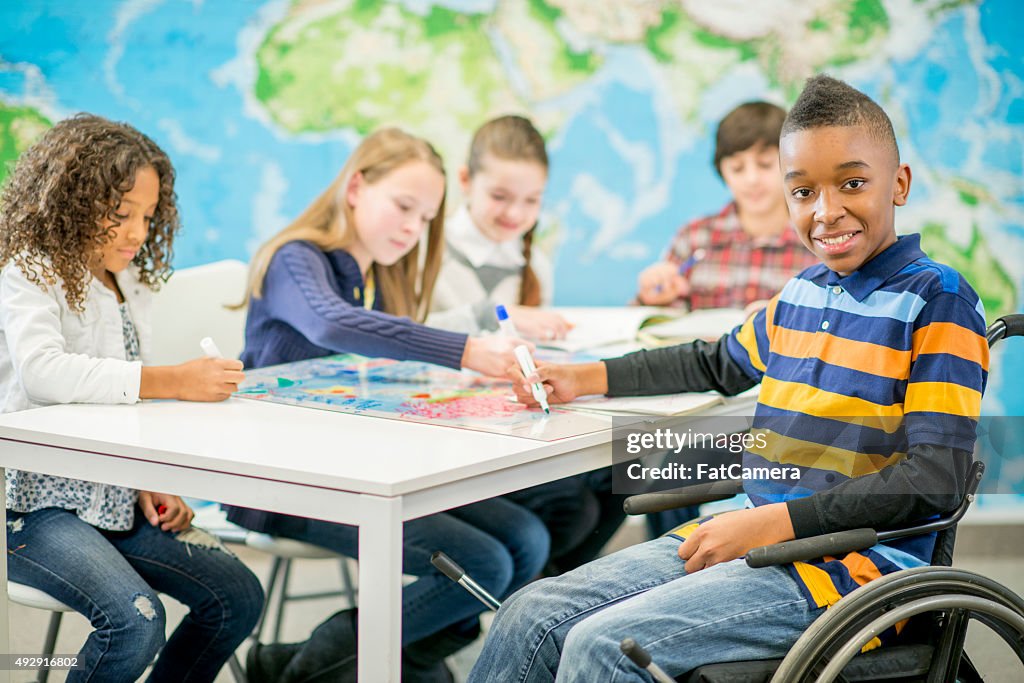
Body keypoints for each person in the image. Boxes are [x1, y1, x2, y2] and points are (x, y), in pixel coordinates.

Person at [467, 74, 989, 682]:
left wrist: (768, 523)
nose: (826, 211)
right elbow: (712, 363)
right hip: (755, 532)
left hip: (853, 571)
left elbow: (936, 477)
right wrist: (581, 377)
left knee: (603, 646)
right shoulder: (801, 294)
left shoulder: (937, 299)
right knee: (529, 612)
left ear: (897, 183)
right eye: (803, 191)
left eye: (852, 183)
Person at [228, 127, 549, 682]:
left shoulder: (376, 275)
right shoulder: (295, 260)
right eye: (403, 206)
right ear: (355, 187)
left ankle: (304, 664)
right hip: (282, 483)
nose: (411, 228)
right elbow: (331, 323)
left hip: (360, 469)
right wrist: (468, 350)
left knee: (526, 538)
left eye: (425, 219)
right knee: (482, 563)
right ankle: (317, 669)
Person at [0, 114, 264, 683]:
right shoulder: (30, 269)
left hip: (113, 497)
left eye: (147, 216)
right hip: (34, 509)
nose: (137, 232)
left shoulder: (129, 284)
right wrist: (173, 379)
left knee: (237, 594)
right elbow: (45, 373)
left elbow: (119, 404)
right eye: (120, 215)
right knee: (135, 622)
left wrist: (148, 478)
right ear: (70, 202)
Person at [637, 101, 820, 537]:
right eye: (737, 167)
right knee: (657, 470)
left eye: (763, 164)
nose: (752, 179)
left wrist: (781, 321)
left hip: (781, 412)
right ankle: (673, 564)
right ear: (722, 171)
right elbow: (655, 330)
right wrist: (653, 297)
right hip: (702, 405)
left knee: (679, 468)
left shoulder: (815, 238)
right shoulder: (697, 237)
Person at [427, 114, 571, 341]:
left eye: (532, 200)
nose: (515, 213)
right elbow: (398, 331)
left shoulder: (536, 266)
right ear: (465, 180)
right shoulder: (424, 252)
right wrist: (486, 316)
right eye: (499, 196)